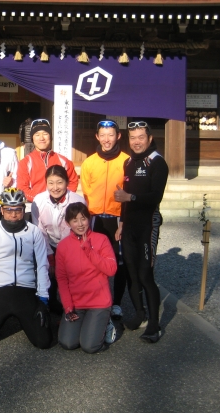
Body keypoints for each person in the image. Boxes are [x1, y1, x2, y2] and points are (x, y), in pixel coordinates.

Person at [0, 188, 52, 349]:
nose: (13, 214)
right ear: (2, 210)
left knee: (44, 342)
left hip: (26, 290)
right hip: (0, 290)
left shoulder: (34, 232)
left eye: (18, 210)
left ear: (23, 210)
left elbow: (42, 266)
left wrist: (43, 300)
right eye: (9, 210)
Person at [114, 120, 169, 343]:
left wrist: (130, 198)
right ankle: (140, 313)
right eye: (133, 138)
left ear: (150, 138)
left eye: (141, 137)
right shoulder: (128, 162)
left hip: (148, 224)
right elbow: (124, 195)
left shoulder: (157, 162)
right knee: (131, 272)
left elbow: (156, 196)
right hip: (129, 225)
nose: (136, 142)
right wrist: (120, 223)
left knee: (146, 274)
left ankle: (154, 326)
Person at [80, 119, 131, 320]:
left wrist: (124, 221)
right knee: (93, 261)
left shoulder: (127, 161)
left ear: (118, 136)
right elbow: (85, 192)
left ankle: (117, 303)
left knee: (119, 262)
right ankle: (94, 300)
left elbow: (130, 193)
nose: (107, 139)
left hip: (118, 217)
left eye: (111, 134)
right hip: (94, 218)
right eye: (103, 135)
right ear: (97, 137)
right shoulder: (89, 162)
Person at [56, 202, 118, 353]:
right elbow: (62, 280)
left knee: (90, 346)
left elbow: (111, 270)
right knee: (68, 343)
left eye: (83, 219)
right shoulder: (63, 246)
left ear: (89, 219)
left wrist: (89, 251)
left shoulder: (101, 239)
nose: (80, 224)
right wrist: (68, 307)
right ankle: (89, 325)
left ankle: (106, 323)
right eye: (75, 220)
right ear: (68, 223)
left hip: (98, 301)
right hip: (76, 303)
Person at [31, 165, 86, 314]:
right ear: (46, 183)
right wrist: (50, 255)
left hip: (71, 244)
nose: (55, 187)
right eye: (51, 182)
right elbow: (39, 228)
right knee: (50, 274)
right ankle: (51, 303)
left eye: (59, 182)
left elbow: (82, 229)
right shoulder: (38, 200)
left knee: (70, 276)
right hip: (48, 242)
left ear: (67, 183)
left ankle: (75, 306)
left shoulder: (77, 201)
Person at [16, 118, 79, 203]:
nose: (41, 138)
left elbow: (72, 182)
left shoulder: (64, 161)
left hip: (61, 206)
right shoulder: (25, 162)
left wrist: (60, 198)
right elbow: (22, 188)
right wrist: (43, 200)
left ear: (50, 136)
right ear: (32, 138)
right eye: (37, 134)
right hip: (35, 207)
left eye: (45, 133)